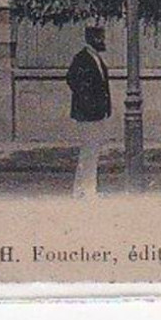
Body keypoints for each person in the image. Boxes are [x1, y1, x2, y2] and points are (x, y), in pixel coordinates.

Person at [66, 25, 112, 200]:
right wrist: (87, 102)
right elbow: (71, 79)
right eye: (100, 38)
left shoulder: (95, 58)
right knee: (89, 151)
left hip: (96, 113)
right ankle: (87, 190)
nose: (103, 41)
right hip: (88, 114)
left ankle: (81, 189)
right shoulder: (82, 58)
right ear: (92, 39)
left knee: (90, 151)